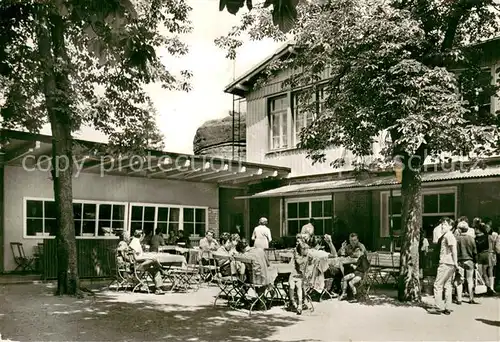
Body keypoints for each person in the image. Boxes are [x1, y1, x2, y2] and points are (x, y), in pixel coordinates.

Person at [432, 217, 457, 315]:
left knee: (438, 285)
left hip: (445, 263)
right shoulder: (448, 235)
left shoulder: (448, 236)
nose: (443, 226)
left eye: (445, 224)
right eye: (442, 224)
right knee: (447, 285)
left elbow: (453, 250)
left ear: (451, 226)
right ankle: (448, 307)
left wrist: (456, 262)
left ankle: (438, 307)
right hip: (450, 263)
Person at [455, 221, 478, 304]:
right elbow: (475, 252)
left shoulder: (456, 238)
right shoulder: (471, 238)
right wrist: (476, 262)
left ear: (459, 229)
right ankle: (471, 298)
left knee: (459, 280)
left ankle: (459, 299)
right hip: (470, 260)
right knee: (470, 280)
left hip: (459, 261)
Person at [289, 240, 310, 315]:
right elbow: (298, 262)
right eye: (304, 249)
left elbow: (300, 263)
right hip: (295, 275)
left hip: (302, 277)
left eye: (306, 249)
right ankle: (293, 302)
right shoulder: (298, 256)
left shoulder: (306, 257)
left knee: (299, 287)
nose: (306, 251)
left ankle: (299, 305)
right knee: (291, 285)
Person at [475, 223, 493, 294]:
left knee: (479, 273)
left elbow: (476, 248)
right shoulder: (487, 236)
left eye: (476, 229)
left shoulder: (476, 238)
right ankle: (489, 287)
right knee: (485, 272)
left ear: (478, 229)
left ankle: (483, 287)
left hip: (480, 255)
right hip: (486, 254)